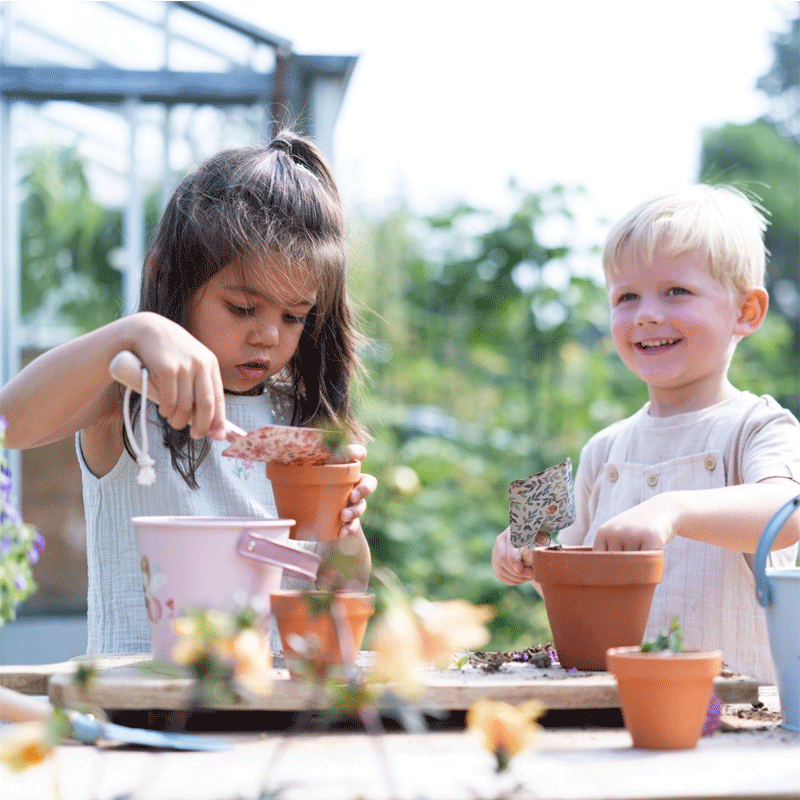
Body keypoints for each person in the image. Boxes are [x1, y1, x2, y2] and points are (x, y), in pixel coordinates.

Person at [0, 130, 377, 655]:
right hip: (136, 696)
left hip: (263, 698)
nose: (268, 335)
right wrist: (134, 332)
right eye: (243, 308)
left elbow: (337, 593)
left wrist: (343, 529)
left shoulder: (297, 420)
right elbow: (9, 423)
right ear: (167, 277)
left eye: (294, 316)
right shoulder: (129, 394)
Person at [492, 184, 800, 683]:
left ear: (746, 311)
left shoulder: (757, 426)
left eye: (676, 291)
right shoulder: (605, 449)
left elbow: (786, 512)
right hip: (613, 701)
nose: (646, 314)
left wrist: (673, 509)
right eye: (627, 296)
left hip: (733, 708)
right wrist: (530, 552)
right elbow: (573, 578)